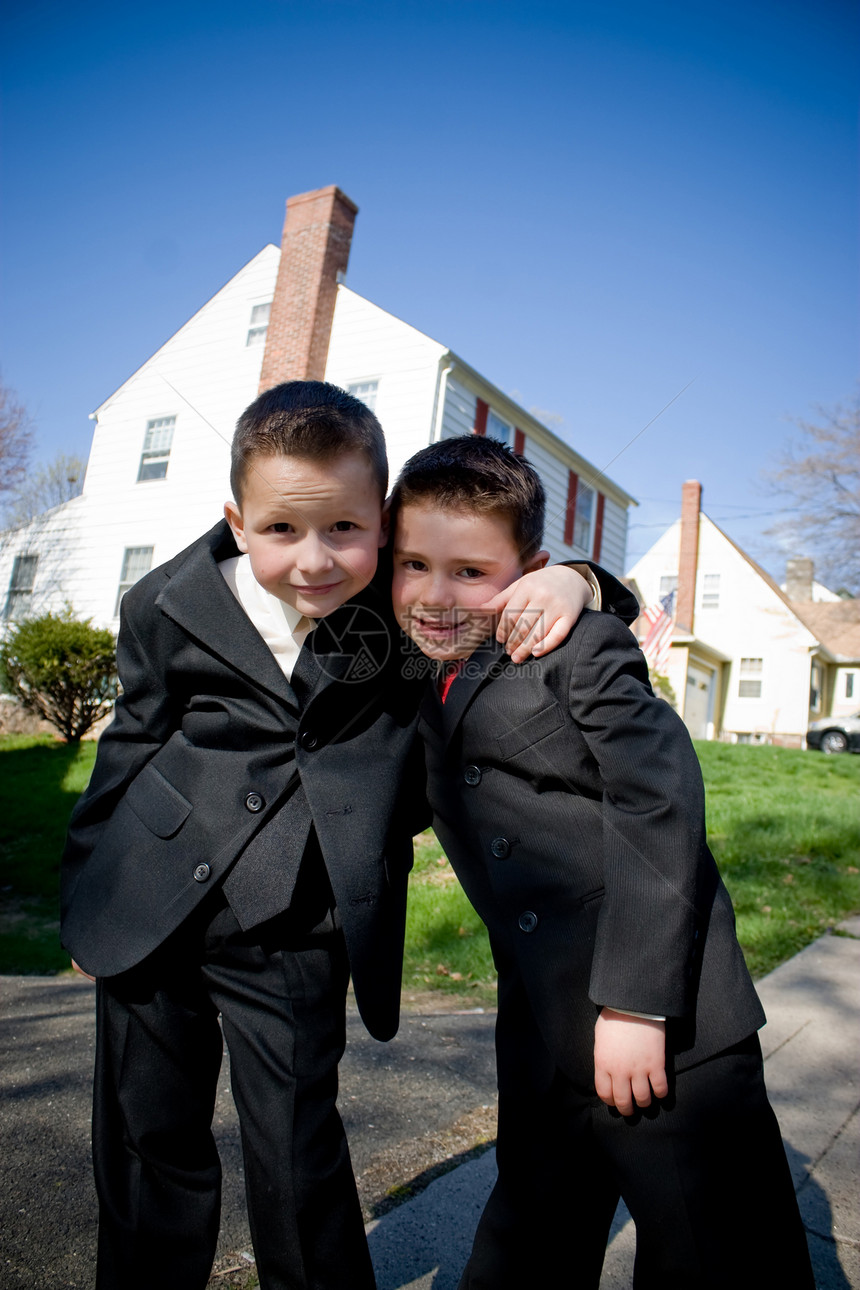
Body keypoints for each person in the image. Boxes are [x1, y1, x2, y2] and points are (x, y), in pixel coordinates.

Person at [60, 381, 606, 1290]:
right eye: (281, 530)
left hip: (298, 918)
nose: (313, 561)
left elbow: (530, 592)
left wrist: (574, 578)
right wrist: (87, 896)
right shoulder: (166, 602)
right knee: (147, 1133)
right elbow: (130, 742)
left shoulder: (403, 618)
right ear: (238, 521)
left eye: (345, 532)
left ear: (384, 525)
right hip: (148, 903)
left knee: (297, 1141)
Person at [389, 434, 815, 1290]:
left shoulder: (575, 646)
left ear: (528, 570)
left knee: (715, 1247)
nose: (435, 595)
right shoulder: (408, 666)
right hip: (542, 1030)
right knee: (529, 1238)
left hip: (667, 1022)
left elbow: (659, 799)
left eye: (471, 572)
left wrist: (636, 1003)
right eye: (412, 565)